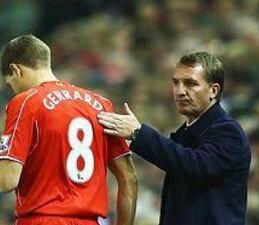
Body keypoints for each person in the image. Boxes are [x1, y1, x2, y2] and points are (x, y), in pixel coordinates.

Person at [0, 34, 137, 225]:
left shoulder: (26, 101)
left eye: (11, 85)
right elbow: (128, 177)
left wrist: (0, 159)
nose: (14, 91)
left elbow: (6, 181)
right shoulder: (101, 105)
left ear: (15, 69)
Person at [98, 51, 251, 225]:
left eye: (190, 84)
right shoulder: (186, 132)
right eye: (175, 83)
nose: (180, 91)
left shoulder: (228, 131)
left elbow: (195, 165)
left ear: (213, 90)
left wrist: (138, 134)